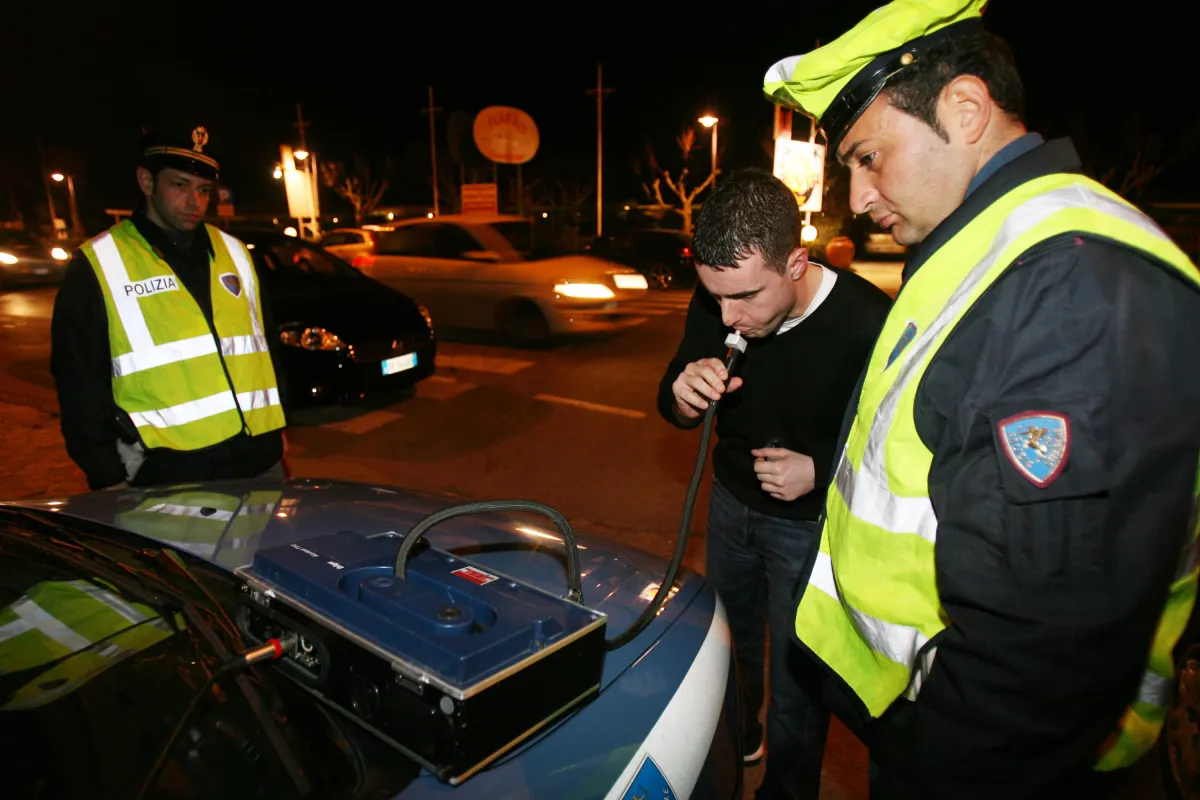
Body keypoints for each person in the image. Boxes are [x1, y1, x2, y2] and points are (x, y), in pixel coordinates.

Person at [762, 1, 1200, 797]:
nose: (857, 199)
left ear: (965, 109)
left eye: (868, 158)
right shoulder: (990, 244)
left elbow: (1038, 660)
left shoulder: (1072, 282)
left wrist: (930, 769)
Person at [657, 168, 892, 799]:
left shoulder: (869, 322)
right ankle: (742, 735)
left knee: (799, 677)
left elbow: (893, 446)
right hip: (731, 503)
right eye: (715, 298)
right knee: (731, 642)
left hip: (808, 529)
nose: (728, 318)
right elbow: (673, 394)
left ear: (795, 262)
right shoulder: (718, 298)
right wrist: (683, 396)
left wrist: (820, 468)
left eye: (746, 298)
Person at [51, 123, 289, 491]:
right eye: (180, 186)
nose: (195, 202)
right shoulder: (98, 264)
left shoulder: (236, 253)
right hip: (169, 474)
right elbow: (78, 379)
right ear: (147, 182)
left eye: (204, 189)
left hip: (258, 461)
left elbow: (266, 347)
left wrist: (278, 429)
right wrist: (105, 474)